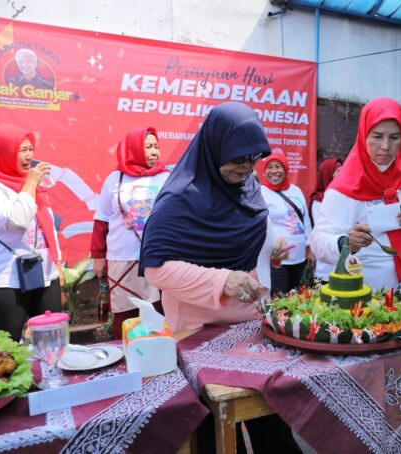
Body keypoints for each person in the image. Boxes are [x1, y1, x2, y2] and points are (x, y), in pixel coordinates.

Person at [139, 102, 301, 454]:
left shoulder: (248, 186)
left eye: (252, 159)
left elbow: (244, 234)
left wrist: (270, 248)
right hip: (197, 335)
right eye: (237, 159)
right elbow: (156, 268)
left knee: (271, 424)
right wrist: (221, 281)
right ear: (213, 148)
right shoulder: (180, 199)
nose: (245, 168)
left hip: (250, 328)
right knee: (216, 436)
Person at [310, 97, 401, 291]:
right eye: (377, 136)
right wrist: (346, 243)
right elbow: (318, 240)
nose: (385, 146)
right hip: (368, 301)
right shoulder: (345, 185)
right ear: (364, 135)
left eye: (394, 137)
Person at [0, 124, 62, 341]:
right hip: (4, 281)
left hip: (44, 274)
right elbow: (16, 220)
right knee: (6, 350)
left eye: (30, 149)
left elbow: (47, 228)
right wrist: (32, 183)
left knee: (53, 340)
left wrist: (58, 264)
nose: (29, 156)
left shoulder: (25, 183)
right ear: (1, 151)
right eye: (21, 150)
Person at [90, 127, 170, 339]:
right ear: (134, 148)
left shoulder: (166, 178)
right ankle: (126, 356)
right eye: (148, 147)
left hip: (157, 258)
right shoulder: (115, 179)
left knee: (158, 310)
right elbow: (102, 220)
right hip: (121, 257)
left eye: (156, 146)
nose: (154, 152)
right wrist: (98, 257)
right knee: (124, 312)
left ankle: (158, 357)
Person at [259, 152, 314, 294]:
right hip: (276, 258)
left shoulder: (296, 190)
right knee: (280, 300)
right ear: (264, 172)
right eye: (269, 167)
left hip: (299, 257)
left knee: (297, 299)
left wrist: (311, 248)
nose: (274, 171)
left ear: (285, 168)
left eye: (278, 166)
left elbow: (305, 219)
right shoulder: (260, 192)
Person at [308, 158, 342, 283]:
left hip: (345, 259)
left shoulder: (346, 196)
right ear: (328, 174)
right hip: (326, 260)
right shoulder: (318, 201)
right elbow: (321, 228)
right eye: (338, 170)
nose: (342, 173)